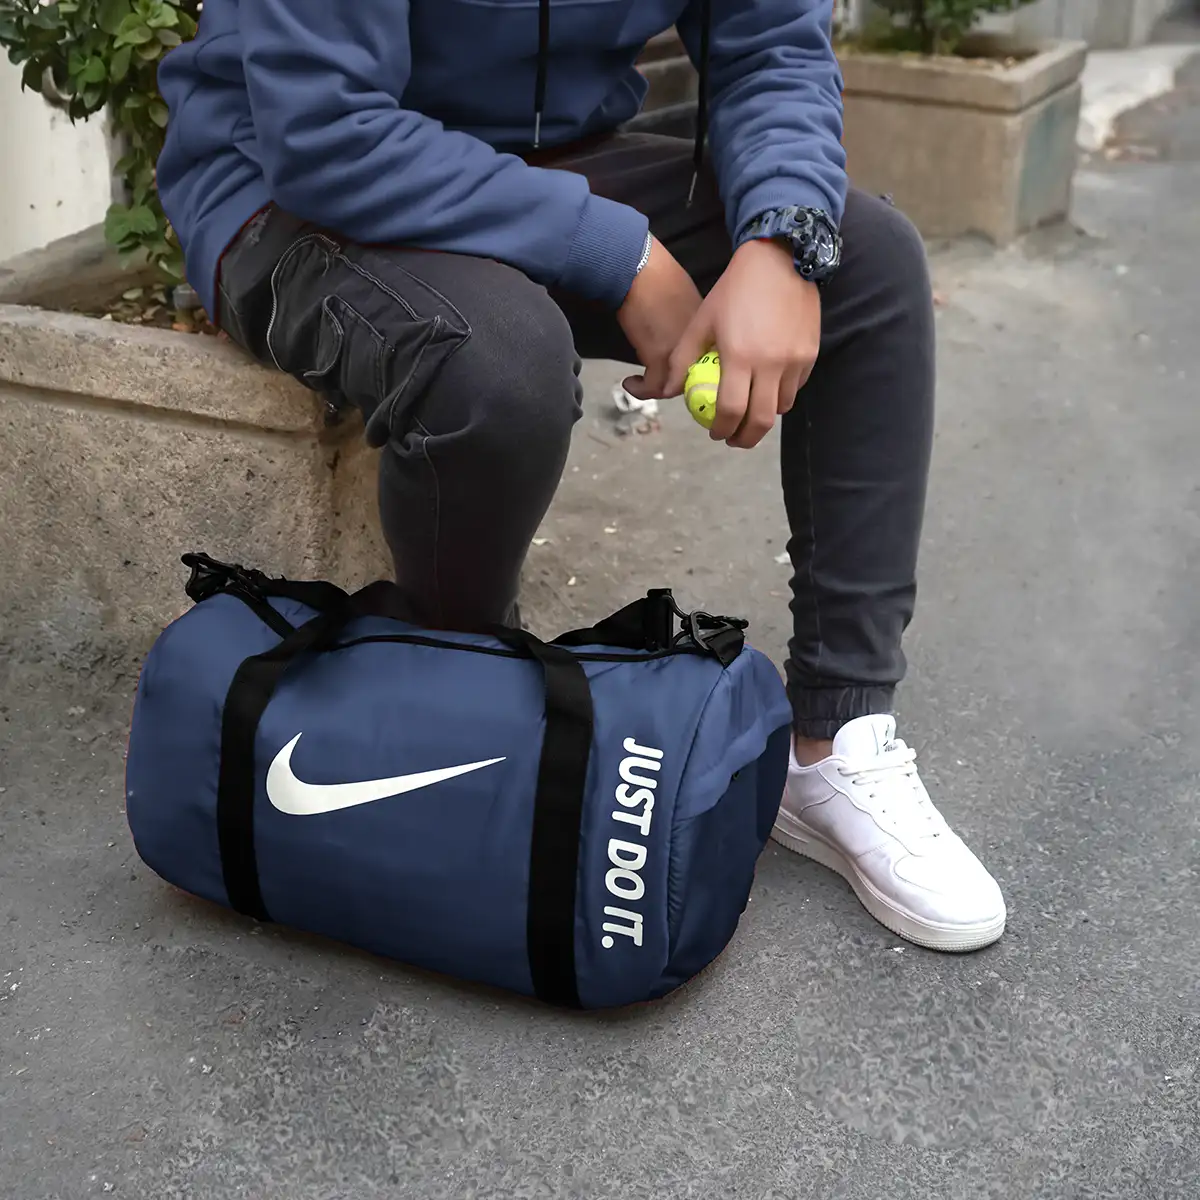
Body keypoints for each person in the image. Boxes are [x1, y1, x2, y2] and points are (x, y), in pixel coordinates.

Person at [157, 0, 1006, 952]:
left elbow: (769, 43)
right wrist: (621, 253)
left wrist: (781, 239)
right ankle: (452, 721)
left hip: (552, 161)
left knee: (867, 262)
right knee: (498, 367)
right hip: (296, 188)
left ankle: (833, 742)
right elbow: (323, 126)